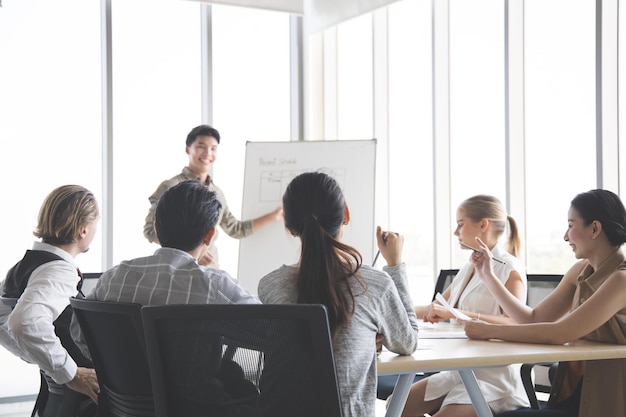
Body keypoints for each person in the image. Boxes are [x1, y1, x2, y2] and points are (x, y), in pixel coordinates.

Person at [72, 180, 260, 416]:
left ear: (157, 229)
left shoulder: (115, 277)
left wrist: (118, 374)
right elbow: (272, 330)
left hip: (126, 408)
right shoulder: (213, 284)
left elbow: (79, 332)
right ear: (210, 235)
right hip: (199, 408)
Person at [257, 171, 419, 417]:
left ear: (289, 227)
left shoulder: (269, 286)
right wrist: (395, 265)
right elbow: (407, 342)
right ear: (346, 215)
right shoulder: (374, 284)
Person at [464, 189, 626, 417]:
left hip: (602, 404)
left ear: (595, 229)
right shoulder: (580, 271)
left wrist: (489, 331)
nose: (565, 236)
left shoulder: (621, 280)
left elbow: (560, 332)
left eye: (571, 225)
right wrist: (488, 277)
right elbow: (533, 319)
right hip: (570, 397)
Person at [399, 195, 530, 417]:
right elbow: (437, 307)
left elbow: (514, 323)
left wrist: (457, 313)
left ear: (483, 224)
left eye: (460, 224)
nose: (455, 232)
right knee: (398, 405)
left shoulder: (509, 268)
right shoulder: (470, 266)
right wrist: (396, 310)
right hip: (460, 370)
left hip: (494, 379)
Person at [0, 185, 100, 417]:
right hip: (83, 401)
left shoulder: (23, 265)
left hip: (58, 401)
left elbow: (3, 317)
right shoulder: (59, 271)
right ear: (82, 230)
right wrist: (70, 372)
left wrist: (42, 359)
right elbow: (23, 323)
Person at [143, 124, 283, 267]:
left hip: (210, 272)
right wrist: (192, 252)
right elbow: (149, 231)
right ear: (187, 149)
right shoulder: (170, 186)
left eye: (213, 148)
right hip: (177, 269)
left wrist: (275, 216)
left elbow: (236, 229)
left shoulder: (217, 193)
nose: (207, 153)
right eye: (201, 146)